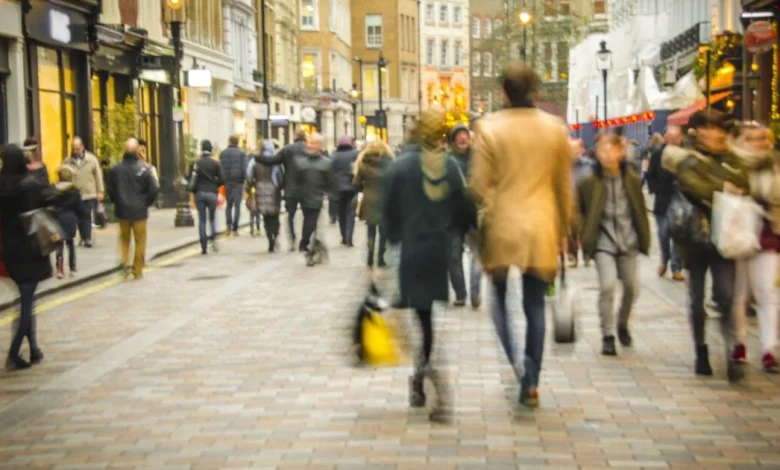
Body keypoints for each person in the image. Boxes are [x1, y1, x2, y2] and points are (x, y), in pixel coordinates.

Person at [470, 62, 572, 407]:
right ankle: (531, 378)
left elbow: (478, 185)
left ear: (503, 93)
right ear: (536, 92)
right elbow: (563, 187)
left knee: (498, 298)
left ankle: (515, 360)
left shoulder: (488, 127)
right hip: (542, 225)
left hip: (503, 225)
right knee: (534, 306)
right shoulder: (555, 129)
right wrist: (565, 229)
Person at [383, 108, 476, 423]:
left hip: (408, 251)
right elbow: (464, 209)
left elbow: (387, 217)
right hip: (436, 250)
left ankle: (426, 379)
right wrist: (461, 229)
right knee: (426, 322)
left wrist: (386, 254)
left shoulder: (399, 166)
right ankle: (423, 378)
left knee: (416, 322)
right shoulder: (447, 165)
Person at [662, 109, 750, 381]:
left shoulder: (733, 158)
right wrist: (723, 187)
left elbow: (745, 185)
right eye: (707, 129)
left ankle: (731, 351)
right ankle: (701, 349)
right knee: (696, 298)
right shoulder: (688, 158)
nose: (713, 135)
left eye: (718, 130)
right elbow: (693, 186)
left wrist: (720, 187)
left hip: (725, 237)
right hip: (694, 237)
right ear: (697, 131)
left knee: (725, 295)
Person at [577, 132, 650, 356]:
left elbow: (639, 209)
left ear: (621, 151)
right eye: (601, 151)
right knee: (607, 286)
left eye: (610, 150)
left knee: (631, 287)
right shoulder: (589, 181)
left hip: (628, 241)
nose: (606, 155)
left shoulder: (632, 179)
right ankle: (607, 334)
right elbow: (578, 209)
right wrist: (583, 232)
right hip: (603, 242)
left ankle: (622, 323)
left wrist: (644, 237)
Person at [728, 122, 780, 373]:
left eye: (763, 138)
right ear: (741, 141)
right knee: (739, 294)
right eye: (752, 139)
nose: (759, 143)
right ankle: (739, 343)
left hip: (766, 235)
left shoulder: (774, 165)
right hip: (737, 235)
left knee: (767, 292)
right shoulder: (732, 164)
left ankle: (769, 349)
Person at [0, 144, 54, 371]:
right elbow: (43, 206)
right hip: (30, 248)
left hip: (9, 249)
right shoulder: (29, 185)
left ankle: (33, 349)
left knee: (26, 298)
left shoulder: (2, 184)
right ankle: (13, 354)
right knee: (26, 302)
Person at [106, 138, 160, 280]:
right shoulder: (145, 169)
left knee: (124, 239)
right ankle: (137, 269)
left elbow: (110, 189)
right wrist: (146, 202)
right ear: (137, 150)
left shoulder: (115, 170)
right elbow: (154, 188)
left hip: (122, 211)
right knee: (140, 240)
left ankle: (125, 264)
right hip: (140, 211)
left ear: (124, 150)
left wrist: (116, 201)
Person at [447, 123, 482, 307]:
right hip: (453, 215)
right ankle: (460, 293)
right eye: (458, 136)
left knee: (477, 254)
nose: (462, 138)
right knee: (453, 257)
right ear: (452, 140)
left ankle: (475, 291)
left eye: (465, 135)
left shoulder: (479, 159)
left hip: (475, 213)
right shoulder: (446, 160)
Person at [646, 126, 685, 281]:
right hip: (662, 200)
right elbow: (650, 176)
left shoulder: (684, 155)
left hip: (680, 200)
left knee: (678, 235)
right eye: (671, 138)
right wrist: (657, 188)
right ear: (666, 138)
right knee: (663, 233)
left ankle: (676, 267)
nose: (675, 141)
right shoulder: (657, 155)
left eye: (677, 138)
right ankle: (664, 260)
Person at [258, 131, 307, 250]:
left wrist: (257, 157)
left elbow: (272, 161)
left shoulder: (287, 149)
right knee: (308, 216)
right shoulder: (309, 149)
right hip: (307, 188)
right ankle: (305, 240)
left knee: (290, 216)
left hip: (291, 188)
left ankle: (292, 240)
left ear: (295, 137)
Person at [354, 139, 394, 269]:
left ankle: (370, 257)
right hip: (386, 199)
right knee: (383, 231)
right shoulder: (391, 162)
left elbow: (356, 183)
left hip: (369, 199)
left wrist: (363, 188)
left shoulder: (363, 162)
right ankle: (381, 258)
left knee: (371, 230)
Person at [61, 137, 104, 247]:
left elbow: (98, 176)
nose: (75, 151)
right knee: (79, 216)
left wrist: (100, 191)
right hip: (75, 193)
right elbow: (64, 176)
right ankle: (84, 236)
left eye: (77, 149)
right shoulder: (68, 160)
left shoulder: (91, 159)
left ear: (82, 147)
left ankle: (87, 238)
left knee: (86, 215)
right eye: (74, 149)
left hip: (89, 192)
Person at [296, 133, 333, 259]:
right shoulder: (300, 162)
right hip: (303, 197)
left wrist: (330, 194)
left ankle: (306, 244)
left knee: (311, 222)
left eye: (313, 143)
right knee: (310, 222)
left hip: (316, 197)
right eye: (309, 142)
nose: (310, 145)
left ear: (320, 146)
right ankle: (309, 247)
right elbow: (295, 181)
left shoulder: (326, 163)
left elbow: (330, 182)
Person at [189, 140, 226, 255]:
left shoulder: (197, 163)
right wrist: (215, 184)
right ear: (211, 149)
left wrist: (193, 194)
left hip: (200, 193)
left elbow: (192, 180)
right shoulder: (215, 163)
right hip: (212, 193)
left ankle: (203, 245)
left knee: (202, 219)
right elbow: (222, 180)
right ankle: (213, 240)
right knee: (212, 218)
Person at [249, 141, 283, 252]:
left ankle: (270, 240)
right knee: (275, 216)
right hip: (274, 191)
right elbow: (281, 176)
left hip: (260, 190)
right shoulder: (276, 160)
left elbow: (249, 175)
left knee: (266, 217)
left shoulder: (255, 160)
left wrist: (251, 184)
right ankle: (275, 234)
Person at [53, 166, 84, 279]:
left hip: (57, 220)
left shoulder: (54, 189)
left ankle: (60, 270)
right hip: (70, 220)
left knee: (58, 245)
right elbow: (80, 208)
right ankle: (73, 268)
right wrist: (79, 219)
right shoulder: (75, 191)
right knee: (71, 244)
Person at [330, 136, 359, 246]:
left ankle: (343, 236)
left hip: (338, 188)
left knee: (341, 214)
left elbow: (331, 171)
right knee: (350, 213)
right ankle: (349, 236)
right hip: (352, 187)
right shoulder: (355, 154)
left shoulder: (334, 155)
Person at [220, 135, 247, 236]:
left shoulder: (223, 154)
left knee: (229, 205)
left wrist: (222, 181)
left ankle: (228, 226)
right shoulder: (242, 153)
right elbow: (244, 168)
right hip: (238, 182)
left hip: (227, 182)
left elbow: (221, 169)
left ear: (229, 141)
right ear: (237, 142)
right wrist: (245, 181)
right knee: (237, 205)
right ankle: (235, 228)